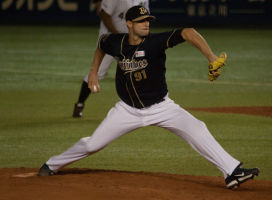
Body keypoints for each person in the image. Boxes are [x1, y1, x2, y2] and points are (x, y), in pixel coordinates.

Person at [39, 6, 259, 189]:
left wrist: (211, 56)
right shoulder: (115, 42)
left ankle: (232, 172)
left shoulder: (155, 42)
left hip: (162, 108)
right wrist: (94, 71)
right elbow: (101, 44)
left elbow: (188, 31)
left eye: (148, 21)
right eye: (142, 21)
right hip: (126, 110)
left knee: (198, 129)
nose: (147, 24)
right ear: (129, 24)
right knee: (92, 145)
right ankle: (52, 164)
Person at [73, 0, 150, 118]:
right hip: (110, 42)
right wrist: (117, 36)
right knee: (97, 73)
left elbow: (145, 17)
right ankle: (79, 104)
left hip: (132, 43)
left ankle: (137, 108)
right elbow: (104, 14)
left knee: (136, 72)